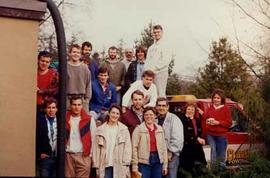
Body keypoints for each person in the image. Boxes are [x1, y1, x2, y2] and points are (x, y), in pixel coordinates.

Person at [93, 105, 132, 178]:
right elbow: (96, 149)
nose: (115, 115)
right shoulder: (100, 130)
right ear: (109, 113)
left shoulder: (124, 130)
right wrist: (96, 165)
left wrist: (126, 164)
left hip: (119, 166)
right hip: (105, 165)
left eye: (117, 113)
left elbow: (128, 148)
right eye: (113, 113)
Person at [132, 107, 168, 178]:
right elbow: (134, 148)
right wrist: (134, 165)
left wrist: (165, 165)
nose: (149, 117)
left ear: (155, 116)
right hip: (143, 161)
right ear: (144, 116)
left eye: (151, 115)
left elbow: (164, 148)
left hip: (158, 160)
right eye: (146, 115)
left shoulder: (159, 129)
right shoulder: (139, 129)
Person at [65, 96, 96, 177]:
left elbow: (94, 139)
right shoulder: (64, 118)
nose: (77, 107)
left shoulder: (89, 119)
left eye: (79, 105)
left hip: (83, 156)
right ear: (70, 105)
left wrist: (90, 156)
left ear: (82, 105)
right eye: (74, 105)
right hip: (68, 156)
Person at [156, 97, 184, 178]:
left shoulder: (174, 119)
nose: (161, 108)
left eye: (164, 106)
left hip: (171, 154)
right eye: (159, 105)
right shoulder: (154, 119)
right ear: (156, 107)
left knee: (170, 175)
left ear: (168, 107)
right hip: (158, 154)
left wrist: (170, 152)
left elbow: (178, 139)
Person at [205, 89, 232, 168]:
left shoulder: (226, 109)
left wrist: (218, 122)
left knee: (220, 156)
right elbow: (206, 118)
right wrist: (208, 121)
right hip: (210, 135)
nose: (216, 99)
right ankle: (213, 172)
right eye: (214, 98)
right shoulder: (210, 108)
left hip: (221, 136)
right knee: (212, 153)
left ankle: (220, 173)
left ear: (221, 99)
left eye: (218, 98)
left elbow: (229, 123)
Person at [179, 103, 207, 176]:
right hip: (186, 146)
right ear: (185, 110)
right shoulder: (182, 119)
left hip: (197, 146)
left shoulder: (197, 120)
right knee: (187, 167)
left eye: (192, 109)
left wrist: (200, 138)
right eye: (188, 109)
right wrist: (197, 138)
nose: (190, 111)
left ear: (195, 111)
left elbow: (199, 131)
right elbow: (185, 133)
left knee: (201, 164)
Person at [144, 25, 172, 97]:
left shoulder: (166, 45)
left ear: (162, 33)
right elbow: (147, 61)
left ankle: (162, 107)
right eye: (154, 32)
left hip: (160, 73)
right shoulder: (151, 48)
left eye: (158, 32)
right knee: (151, 93)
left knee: (160, 93)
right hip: (150, 74)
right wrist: (146, 71)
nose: (156, 34)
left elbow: (166, 60)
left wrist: (154, 68)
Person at [36, 98, 58, 177]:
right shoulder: (39, 121)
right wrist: (39, 153)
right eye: (49, 107)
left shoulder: (61, 120)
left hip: (58, 158)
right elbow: (37, 138)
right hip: (45, 158)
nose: (51, 110)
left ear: (56, 109)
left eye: (53, 107)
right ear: (45, 109)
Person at [67, 44, 91, 113]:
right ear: (69, 53)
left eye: (78, 52)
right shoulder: (64, 67)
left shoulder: (85, 68)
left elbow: (88, 85)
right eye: (74, 52)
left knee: (83, 122)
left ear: (80, 54)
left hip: (81, 99)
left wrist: (87, 100)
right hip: (68, 100)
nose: (76, 54)